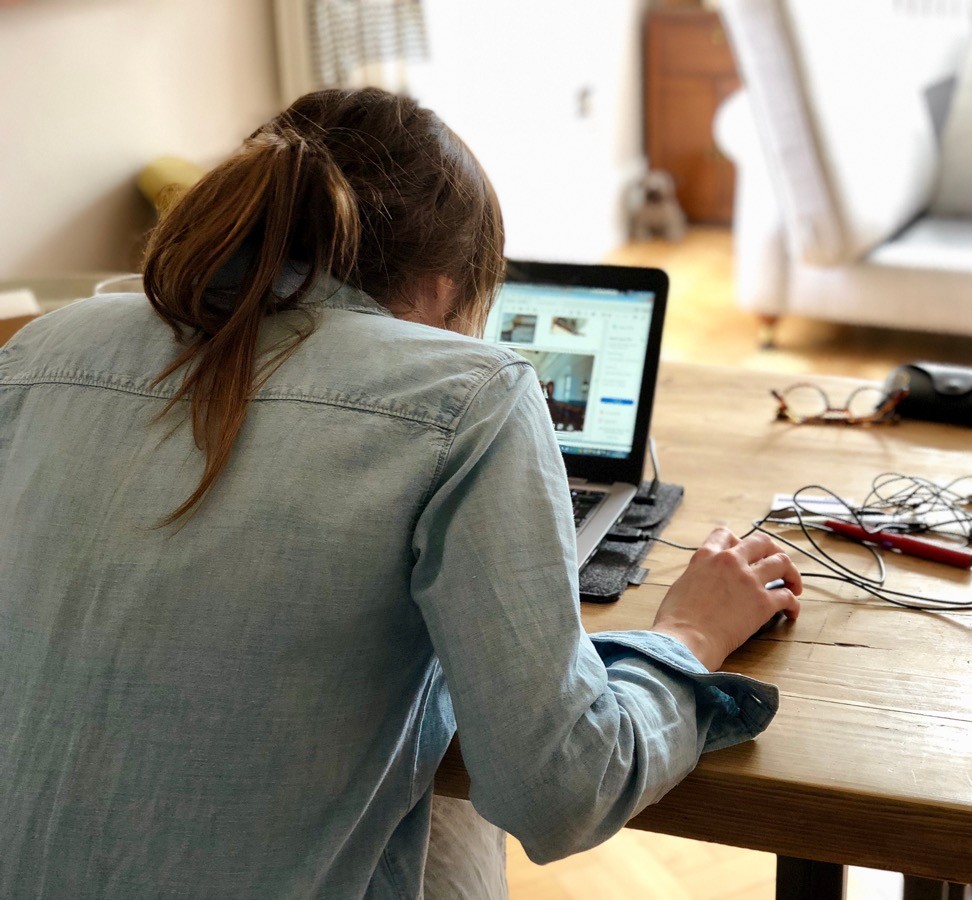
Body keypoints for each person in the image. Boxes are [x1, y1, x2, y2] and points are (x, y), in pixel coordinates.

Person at [0, 88, 802, 898]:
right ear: (444, 286)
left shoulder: (42, 347)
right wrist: (690, 635)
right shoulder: (468, 393)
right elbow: (559, 791)